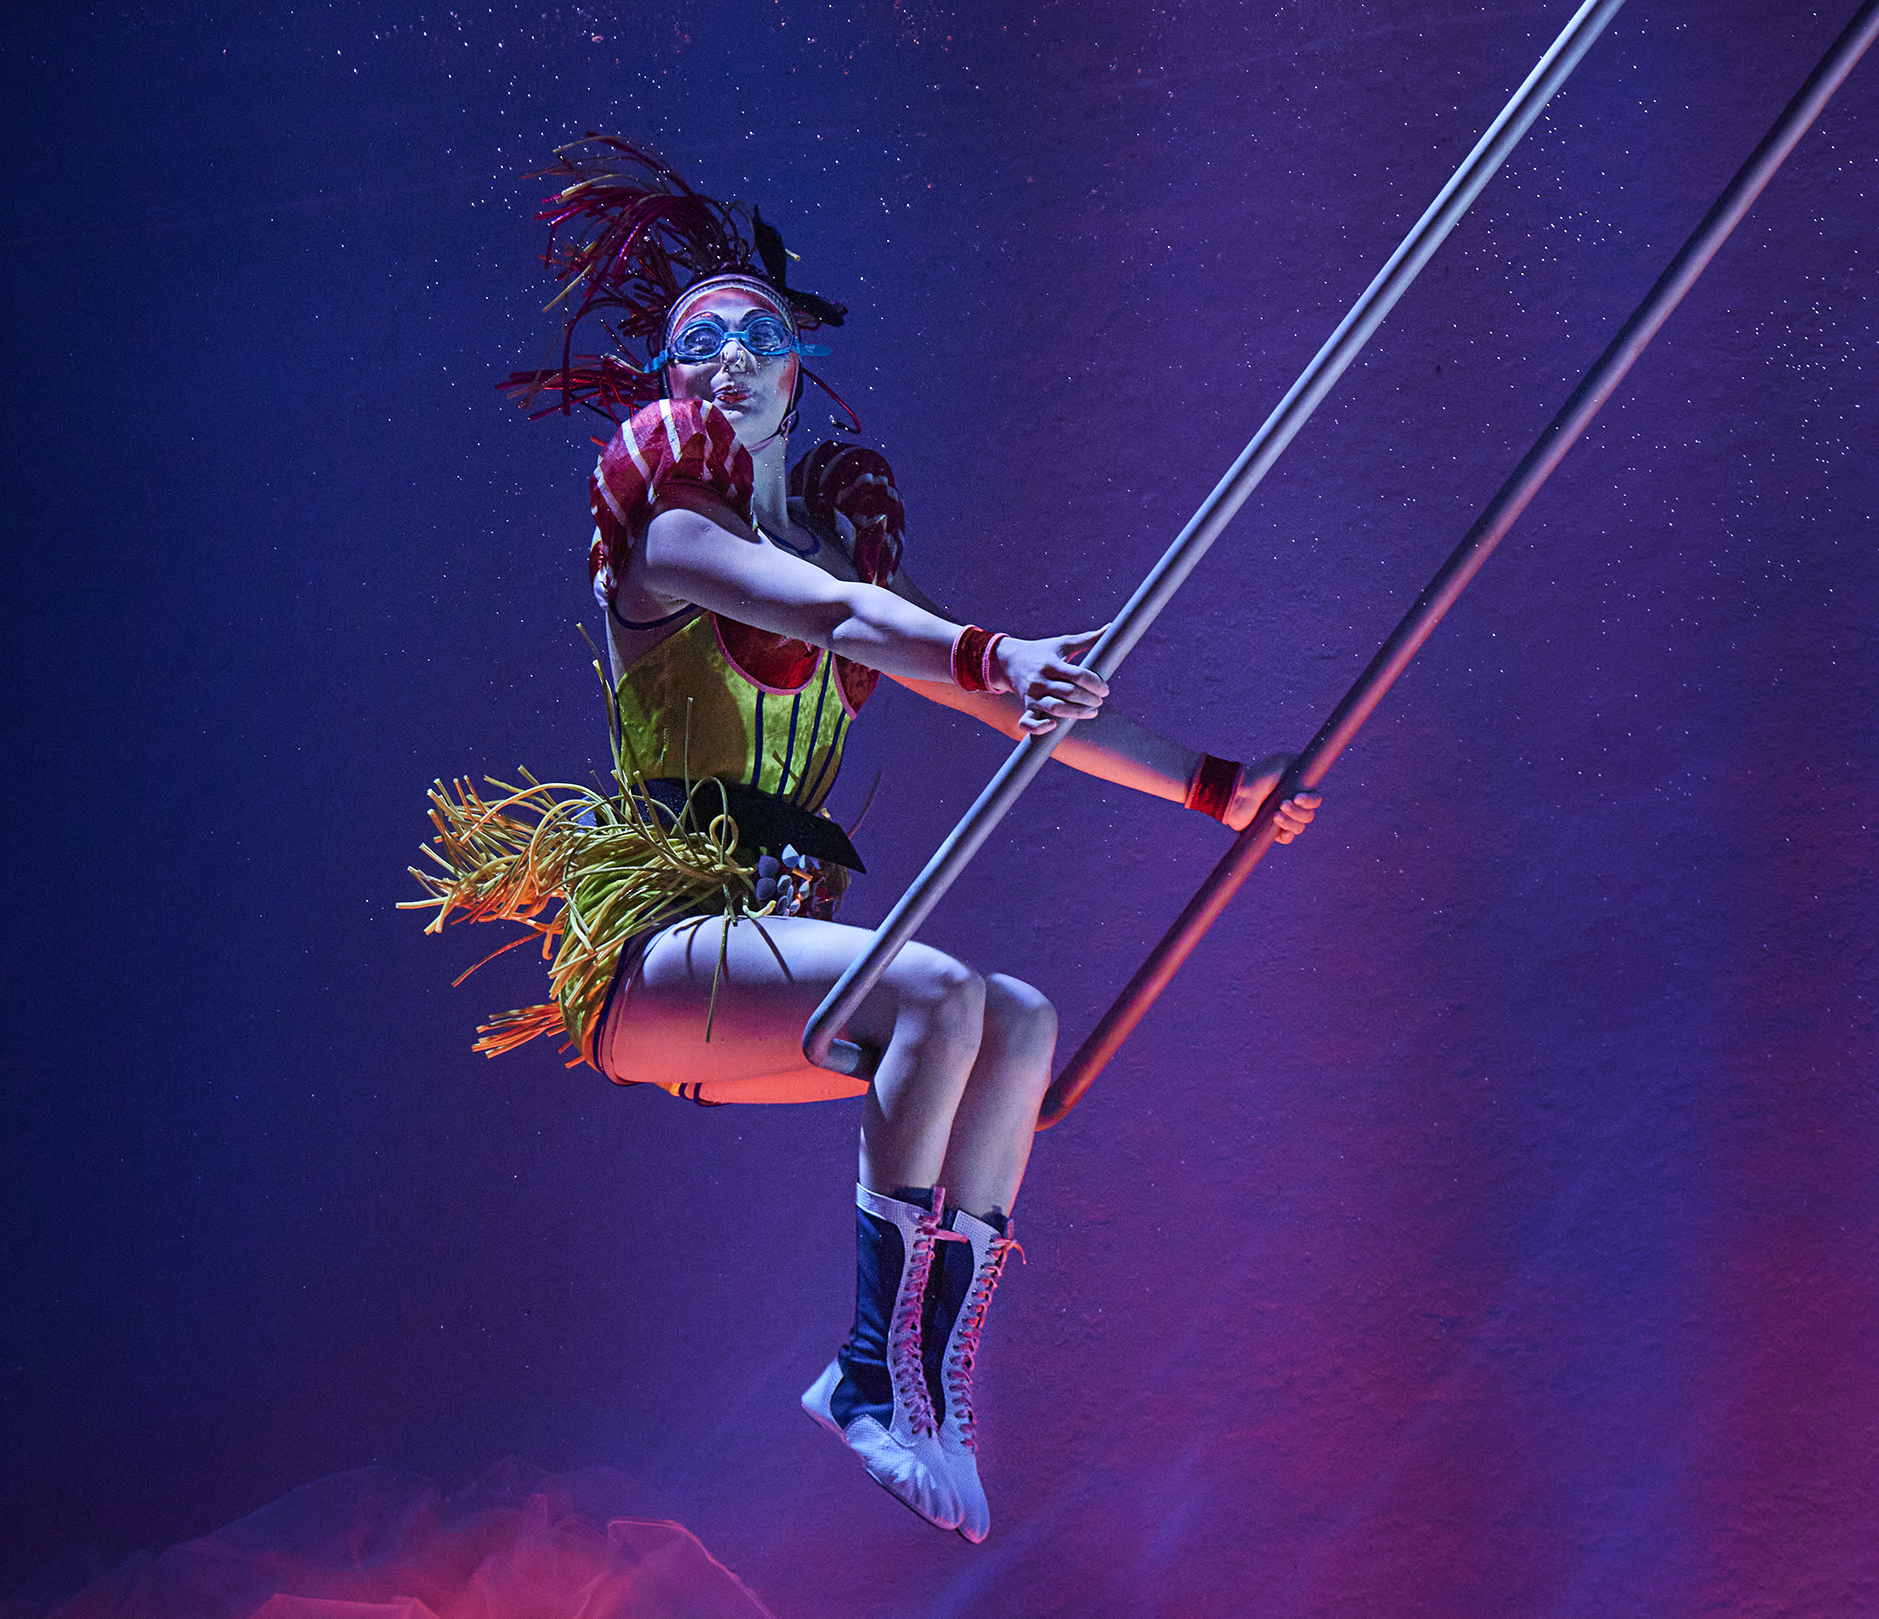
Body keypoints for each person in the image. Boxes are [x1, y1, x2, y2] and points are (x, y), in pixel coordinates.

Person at [409, 139, 1319, 1544]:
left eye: (756, 338)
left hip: (774, 974)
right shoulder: (667, 534)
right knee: (938, 992)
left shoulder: (840, 551)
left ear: (796, 376)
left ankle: (932, 1383)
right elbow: (855, 626)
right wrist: (990, 649)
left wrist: (1211, 788)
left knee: (1020, 1021)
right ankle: (863, 1372)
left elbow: (992, 695)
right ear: (668, 382)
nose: (727, 361)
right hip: (659, 959)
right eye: (696, 343)